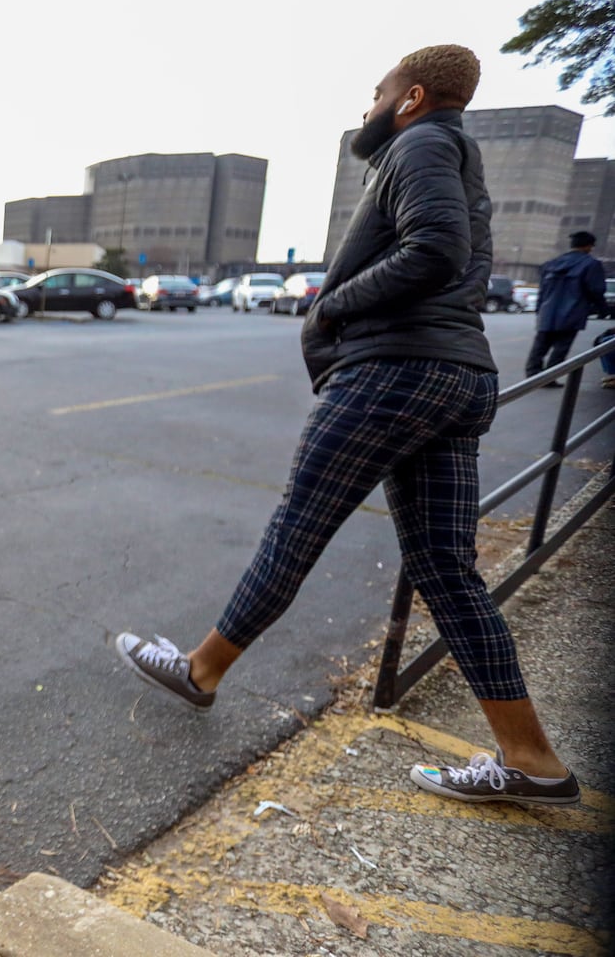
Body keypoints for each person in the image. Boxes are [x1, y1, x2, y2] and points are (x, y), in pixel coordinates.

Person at [116, 44, 580, 807]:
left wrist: (330, 305)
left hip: (396, 372)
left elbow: (435, 250)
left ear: (412, 96)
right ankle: (532, 760)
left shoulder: (424, 141)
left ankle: (198, 672)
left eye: (377, 93)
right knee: (447, 573)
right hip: (455, 376)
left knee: (296, 530)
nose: (366, 107)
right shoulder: (458, 155)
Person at [524, 231, 606, 387]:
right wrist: (603, 310)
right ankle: (549, 377)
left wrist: (539, 310)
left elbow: (542, 290)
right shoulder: (591, 264)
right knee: (561, 348)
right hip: (573, 312)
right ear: (589, 246)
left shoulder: (552, 263)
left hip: (547, 311)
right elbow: (596, 290)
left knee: (540, 345)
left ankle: (533, 376)